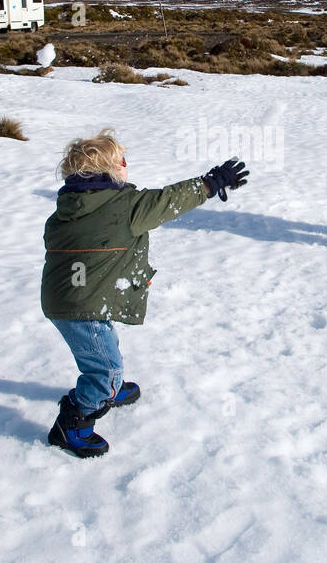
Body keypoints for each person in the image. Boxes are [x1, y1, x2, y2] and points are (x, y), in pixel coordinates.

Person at [41, 129, 248, 458]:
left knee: (101, 343)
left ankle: (110, 386)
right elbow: (169, 200)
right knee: (104, 368)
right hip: (81, 305)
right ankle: (75, 423)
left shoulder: (67, 207)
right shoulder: (126, 207)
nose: (127, 165)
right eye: (122, 161)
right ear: (108, 172)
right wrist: (211, 183)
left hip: (68, 298)